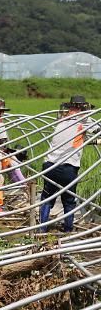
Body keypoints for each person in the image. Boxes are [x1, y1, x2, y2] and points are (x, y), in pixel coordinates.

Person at [40, 95, 99, 233]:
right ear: (83, 108)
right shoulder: (84, 120)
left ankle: (41, 229)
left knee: (47, 198)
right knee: (69, 200)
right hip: (67, 168)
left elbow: (74, 140)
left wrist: (94, 142)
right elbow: (98, 131)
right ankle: (68, 230)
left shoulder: (62, 119)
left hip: (49, 166)